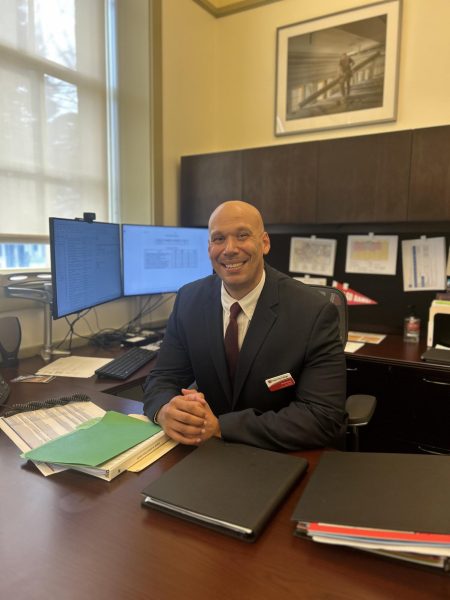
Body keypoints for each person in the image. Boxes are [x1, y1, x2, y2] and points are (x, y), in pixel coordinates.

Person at [143, 200, 347, 451]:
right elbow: (163, 377)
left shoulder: (312, 311)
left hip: (279, 452)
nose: (229, 249)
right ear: (209, 248)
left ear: (265, 243)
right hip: (207, 452)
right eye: (218, 239)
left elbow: (322, 416)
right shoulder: (188, 300)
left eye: (242, 236)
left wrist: (220, 427)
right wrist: (164, 410)